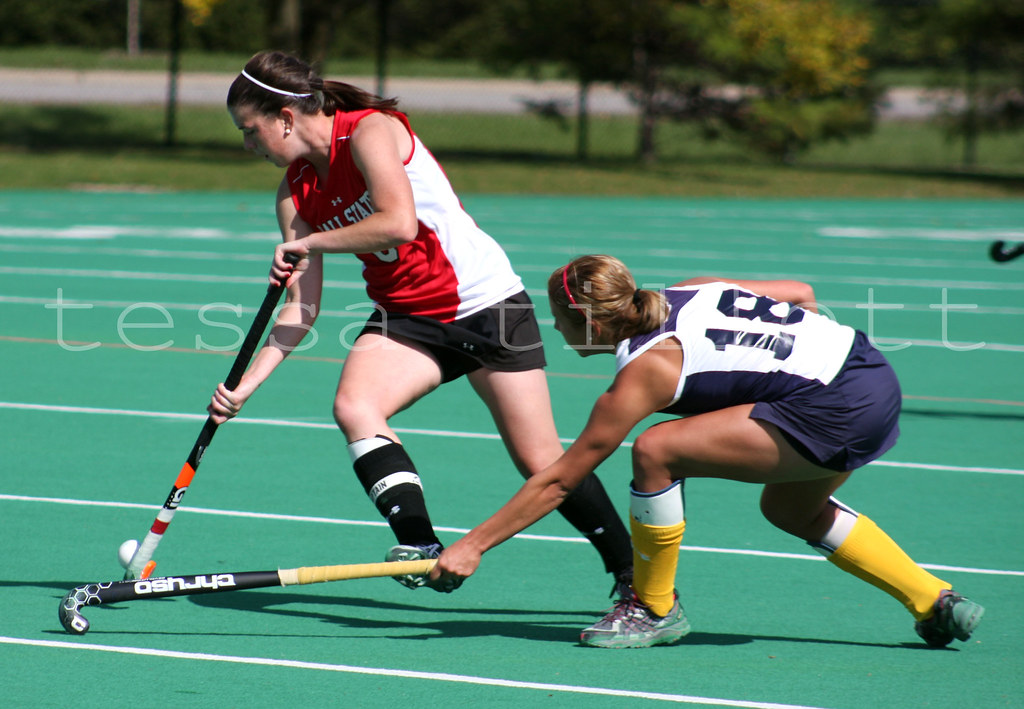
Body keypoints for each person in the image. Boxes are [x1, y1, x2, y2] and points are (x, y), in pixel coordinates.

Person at [207, 51, 633, 595]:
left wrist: (310, 242)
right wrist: (245, 385)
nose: (248, 145)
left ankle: (631, 572)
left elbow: (398, 223)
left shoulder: (369, 132)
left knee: (540, 460)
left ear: (286, 118)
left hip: (485, 305)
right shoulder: (294, 192)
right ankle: (420, 543)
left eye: (251, 131)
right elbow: (301, 307)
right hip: (405, 316)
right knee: (355, 406)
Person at [433, 254, 984, 648]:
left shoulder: (645, 371)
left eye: (559, 317)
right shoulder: (692, 287)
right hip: (871, 375)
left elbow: (561, 479)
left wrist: (473, 547)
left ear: (594, 322)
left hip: (835, 407)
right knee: (790, 510)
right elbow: (799, 290)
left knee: (655, 450)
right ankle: (934, 601)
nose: (554, 327)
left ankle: (652, 609)